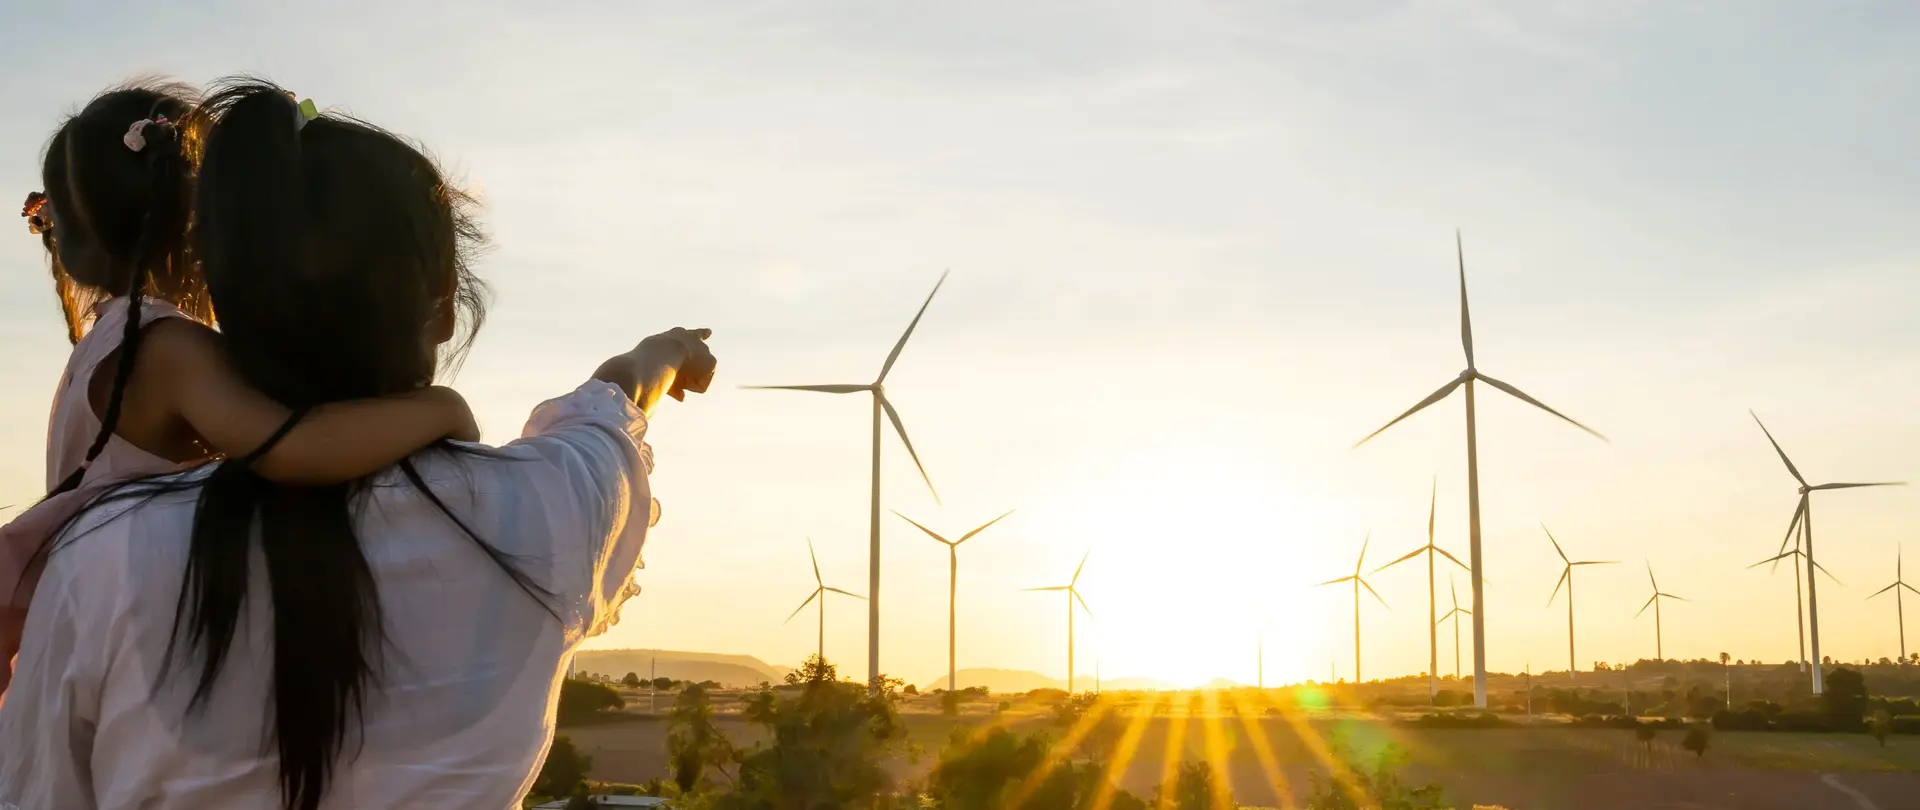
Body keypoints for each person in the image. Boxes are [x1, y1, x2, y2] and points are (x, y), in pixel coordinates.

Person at [0, 79, 715, 810]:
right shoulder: (554, 509)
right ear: (443, 304)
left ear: (229, 301)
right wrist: (664, 350)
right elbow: (609, 404)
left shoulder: (102, 565)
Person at [3, 81, 490, 701]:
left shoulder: (106, 346)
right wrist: (441, 409)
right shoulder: (169, 348)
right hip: (134, 626)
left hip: (92, 619)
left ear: (69, 247)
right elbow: (290, 448)